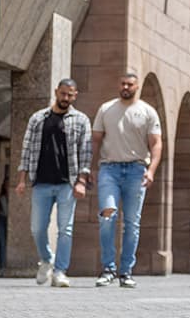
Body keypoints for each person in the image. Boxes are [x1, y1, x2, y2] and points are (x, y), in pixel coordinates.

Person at [16, 78, 92, 288]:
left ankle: (60, 271)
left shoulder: (81, 120)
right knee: (37, 228)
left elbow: (85, 154)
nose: (66, 98)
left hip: (67, 182)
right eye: (63, 93)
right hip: (41, 181)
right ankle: (47, 260)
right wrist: (21, 179)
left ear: (75, 95)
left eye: (70, 95)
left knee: (65, 229)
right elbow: (26, 149)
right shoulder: (38, 119)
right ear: (56, 92)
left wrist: (81, 182)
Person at [91, 71, 161, 288]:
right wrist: (90, 168)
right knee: (107, 217)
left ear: (136, 87)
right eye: (122, 83)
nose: (126, 87)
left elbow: (156, 144)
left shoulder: (147, 112)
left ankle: (126, 271)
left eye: (130, 84)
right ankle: (108, 268)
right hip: (109, 169)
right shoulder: (106, 109)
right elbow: (95, 140)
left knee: (132, 223)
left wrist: (151, 171)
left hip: (136, 170)